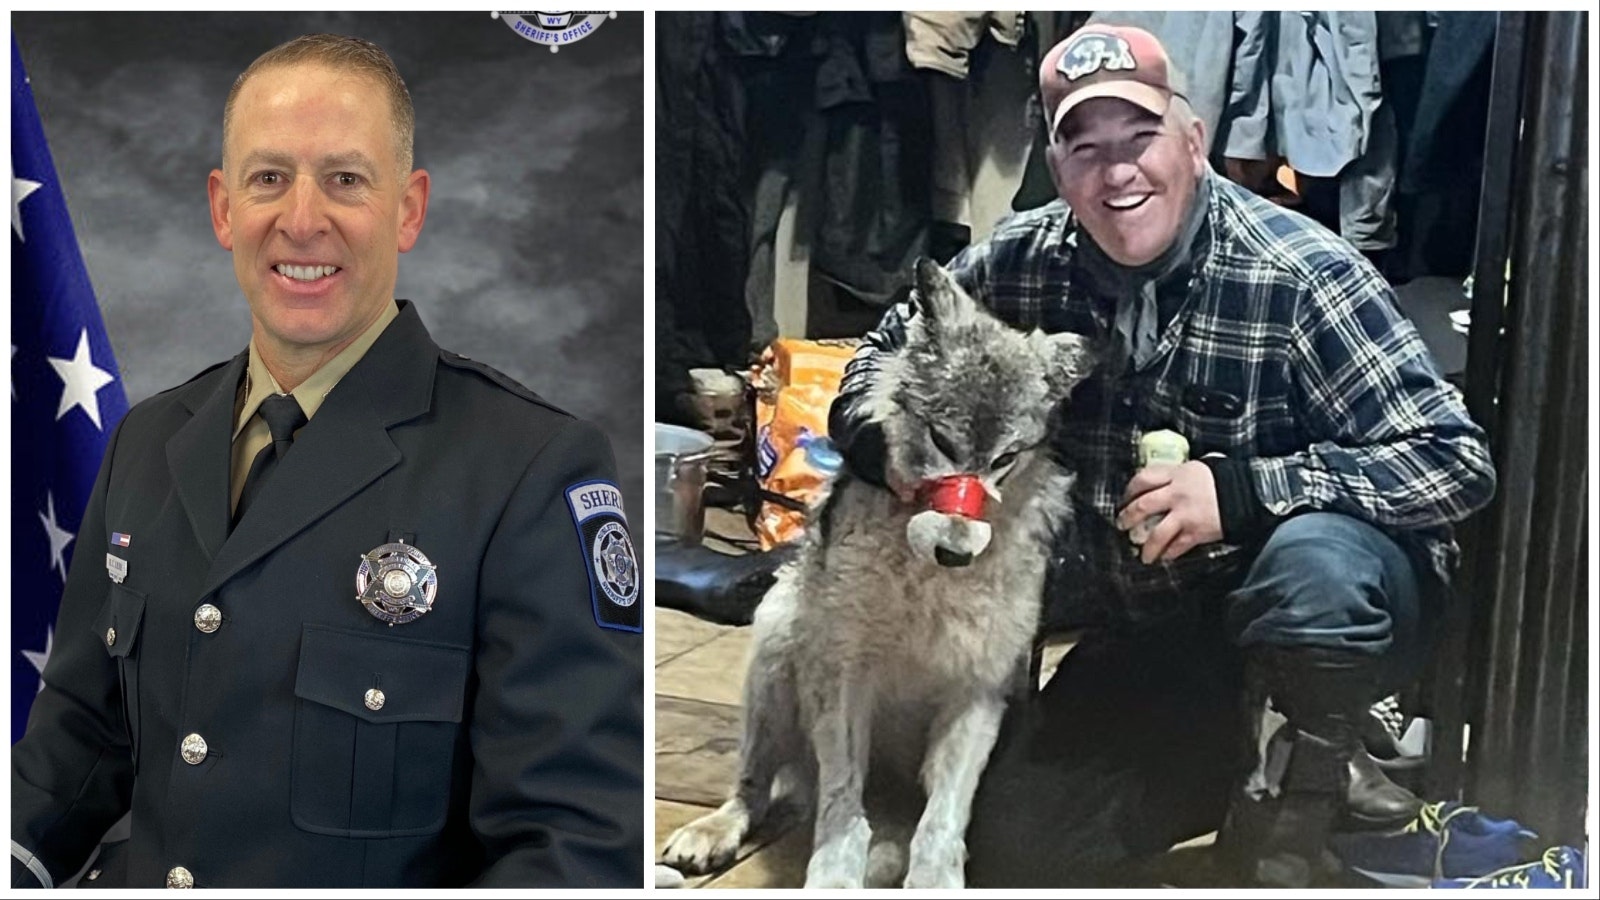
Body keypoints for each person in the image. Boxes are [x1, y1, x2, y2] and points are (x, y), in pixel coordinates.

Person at [828, 25, 1496, 888]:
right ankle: (1231, 757)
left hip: (1325, 603)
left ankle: (1300, 799)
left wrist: (1246, 494)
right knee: (1018, 849)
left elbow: (1453, 462)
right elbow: (877, 358)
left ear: (1192, 138)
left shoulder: (1300, 272)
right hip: (1157, 630)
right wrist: (892, 450)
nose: (1116, 173)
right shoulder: (1021, 259)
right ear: (1057, 165)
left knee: (1314, 569)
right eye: (1084, 147)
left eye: (1139, 137)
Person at [11, 34, 643, 889]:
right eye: (268, 177)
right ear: (223, 207)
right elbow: (80, 738)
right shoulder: (149, 442)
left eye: (345, 179)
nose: (301, 219)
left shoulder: (529, 471)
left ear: (409, 209)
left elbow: (574, 848)